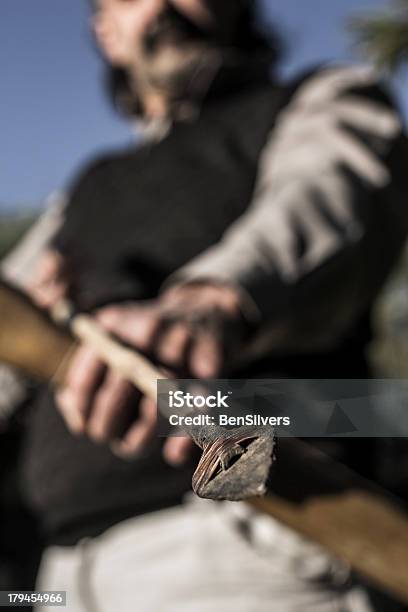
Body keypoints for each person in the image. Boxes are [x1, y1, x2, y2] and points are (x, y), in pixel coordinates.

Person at [12, 0, 408, 610]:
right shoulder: (86, 189)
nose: (166, 6)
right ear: (107, 34)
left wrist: (218, 296)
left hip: (247, 539)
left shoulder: (322, 99)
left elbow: (329, 194)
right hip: (61, 574)